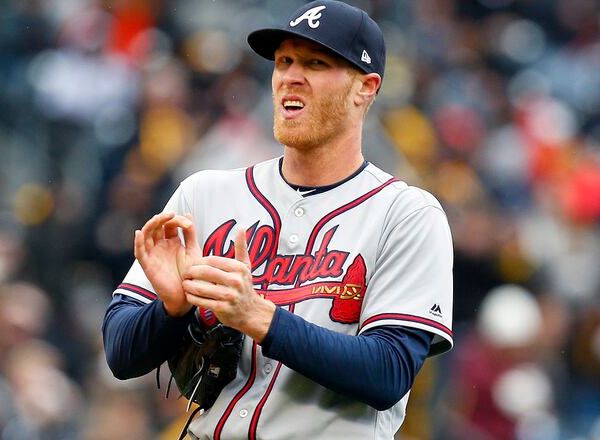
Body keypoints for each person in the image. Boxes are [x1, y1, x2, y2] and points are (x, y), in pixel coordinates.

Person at [102, 1, 454, 438]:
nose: (291, 75)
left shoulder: (407, 215)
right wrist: (171, 310)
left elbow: (388, 373)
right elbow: (120, 353)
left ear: (365, 87)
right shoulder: (206, 194)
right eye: (284, 60)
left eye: (315, 63)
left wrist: (260, 318)